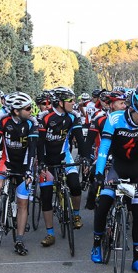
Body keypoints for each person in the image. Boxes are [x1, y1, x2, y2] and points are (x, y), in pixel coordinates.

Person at [90, 86, 138, 273]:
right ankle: (96, 244)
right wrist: (99, 173)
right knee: (104, 203)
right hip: (118, 167)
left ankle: (137, 259)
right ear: (131, 108)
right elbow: (104, 147)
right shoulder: (114, 118)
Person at [0, 92, 39, 255]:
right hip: (7, 162)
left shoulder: (31, 123)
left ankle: (19, 240)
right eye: (28, 108)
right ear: (16, 111)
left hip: (24, 165)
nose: (31, 111)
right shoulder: (3, 121)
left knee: (22, 202)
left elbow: (32, 150)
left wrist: (29, 171)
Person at [37, 85, 86, 246]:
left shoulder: (73, 116)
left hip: (64, 156)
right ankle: (50, 233)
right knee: (46, 195)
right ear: (59, 102)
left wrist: (85, 156)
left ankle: (76, 215)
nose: (73, 103)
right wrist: (41, 162)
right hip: (47, 159)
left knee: (75, 185)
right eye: (70, 100)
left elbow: (80, 139)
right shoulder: (44, 117)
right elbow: (40, 142)